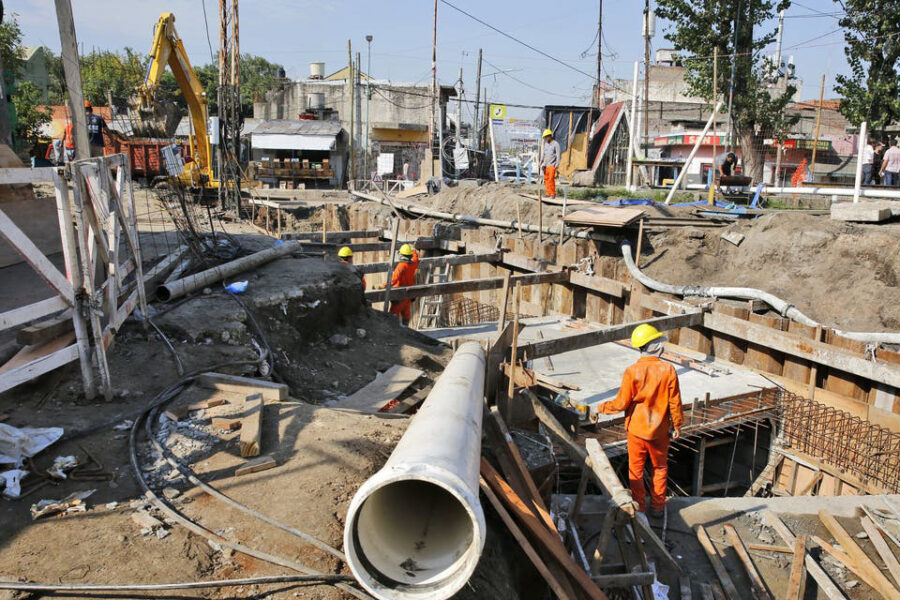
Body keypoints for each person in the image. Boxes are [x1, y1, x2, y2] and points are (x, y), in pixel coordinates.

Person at [595, 324, 684, 518]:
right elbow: (675, 402)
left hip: (636, 430)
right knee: (659, 468)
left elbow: (620, 403)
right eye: (659, 342)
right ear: (654, 346)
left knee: (635, 470)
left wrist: (601, 408)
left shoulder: (632, 371)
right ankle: (658, 507)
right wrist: (677, 425)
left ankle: (640, 509)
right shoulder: (668, 370)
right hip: (660, 431)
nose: (662, 345)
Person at [385, 243, 419, 326]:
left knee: (393, 315)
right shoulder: (412, 264)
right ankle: (405, 332)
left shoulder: (401, 266)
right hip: (408, 295)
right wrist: (413, 250)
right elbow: (416, 258)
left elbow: (393, 280)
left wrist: (383, 285)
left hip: (399, 295)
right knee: (406, 316)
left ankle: (393, 332)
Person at [540, 128, 560, 198]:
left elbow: (558, 155)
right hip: (545, 165)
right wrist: (541, 162)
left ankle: (553, 194)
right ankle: (548, 193)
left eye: (546, 137)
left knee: (551, 179)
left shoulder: (556, 144)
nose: (545, 139)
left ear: (550, 136)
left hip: (552, 165)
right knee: (546, 180)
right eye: (544, 137)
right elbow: (543, 154)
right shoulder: (545, 144)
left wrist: (557, 165)